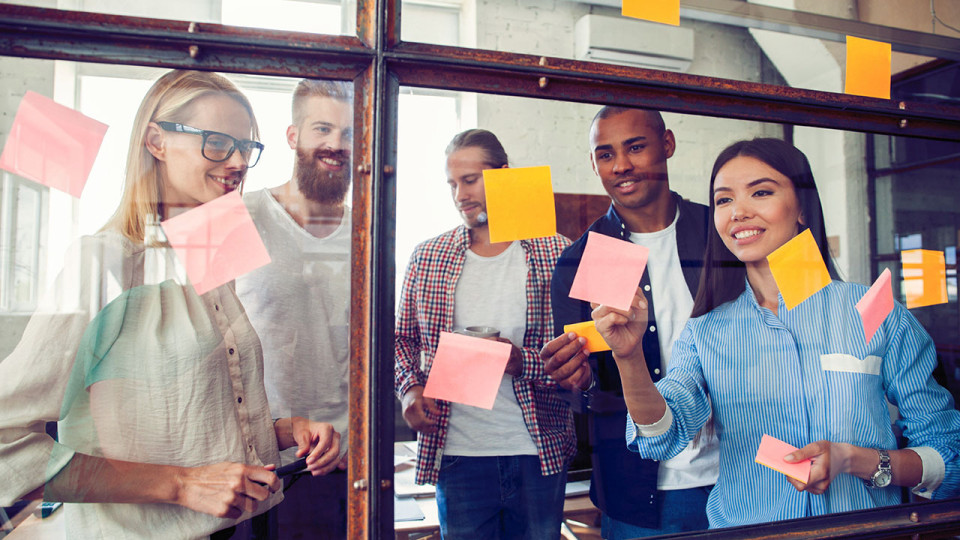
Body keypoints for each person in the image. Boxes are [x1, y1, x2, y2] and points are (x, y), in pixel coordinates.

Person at [0, 70, 341, 539]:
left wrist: (288, 429)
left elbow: (195, 416)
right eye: (218, 142)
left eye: (247, 147)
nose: (238, 161)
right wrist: (179, 485)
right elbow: (6, 440)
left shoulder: (209, 251)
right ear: (157, 141)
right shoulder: (104, 260)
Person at [593, 137, 960, 528]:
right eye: (724, 200)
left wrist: (854, 459)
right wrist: (628, 358)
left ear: (802, 206)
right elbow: (663, 436)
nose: (739, 212)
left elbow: (948, 456)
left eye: (761, 192)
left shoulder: (874, 311)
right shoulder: (705, 332)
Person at [540, 106, 718, 538]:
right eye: (605, 154)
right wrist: (574, 378)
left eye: (635, 147)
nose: (620, 165)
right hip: (637, 490)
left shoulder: (719, 233)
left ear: (668, 145)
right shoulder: (584, 259)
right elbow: (587, 391)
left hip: (738, 474)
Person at [394, 129, 576, 539]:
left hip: (537, 453)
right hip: (459, 455)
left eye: (470, 180)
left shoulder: (556, 254)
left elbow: (582, 355)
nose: (460, 195)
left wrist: (520, 361)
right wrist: (409, 390)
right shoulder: (428, 257)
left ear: (504, 176)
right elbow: (400, 340)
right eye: (452, 184)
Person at [236, 78, 352, 538]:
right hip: (255, 461)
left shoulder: (371, 232)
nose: (335, 145)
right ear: (292, 136)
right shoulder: (237, 216)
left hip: (342, 465)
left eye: (348, 133)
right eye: (322, 128)